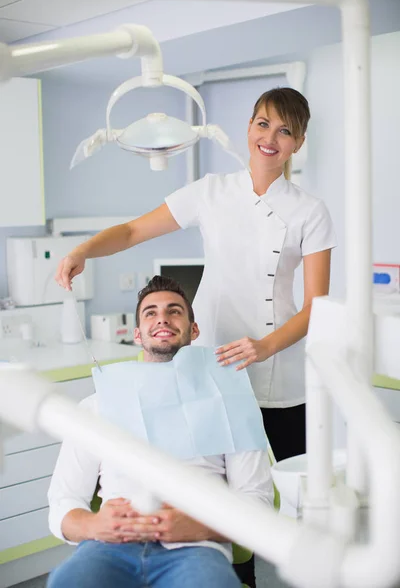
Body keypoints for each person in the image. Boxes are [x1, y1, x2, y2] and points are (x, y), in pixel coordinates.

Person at [56, 87, 336, 586]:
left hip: (284, 369)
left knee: (298, 501)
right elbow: (132, 232)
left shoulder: (309, 211)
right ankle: (233, 576)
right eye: (262, 124)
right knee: (223, 486)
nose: (270, 138)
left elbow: (317, 304)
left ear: (298, 142)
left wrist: (265, 346)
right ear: (248, 127)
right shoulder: (211, 191)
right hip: (211, 365)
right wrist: (84, 251)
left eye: (285, 130)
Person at [47, 275, 273, 588]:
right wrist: (95, 525)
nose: (162, 318)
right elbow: (64, 500)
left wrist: (198, 527)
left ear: (194, 330)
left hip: (195, 549)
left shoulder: (230, 402)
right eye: (150, 312)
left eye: (174, 311)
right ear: (138, 334)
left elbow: (257, 502)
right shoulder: (97, 407)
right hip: (108, 547)